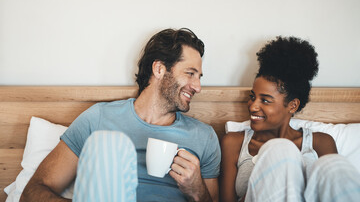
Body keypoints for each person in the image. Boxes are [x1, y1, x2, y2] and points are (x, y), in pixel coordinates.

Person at [21, 28, 221, 202]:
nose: (198, 87)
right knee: (108, 142)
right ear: (159, 69)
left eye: (199, 77)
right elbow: (32, 193)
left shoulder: (204, 137)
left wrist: (198, 191)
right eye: (190, 73)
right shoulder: (98, 119)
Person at [220, 36, 360, 202]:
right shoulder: (234, 142)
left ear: (292, 105)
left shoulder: (321, 143)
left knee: (332, 166)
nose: (252, 106)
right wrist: (265, 181)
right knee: (280, 150)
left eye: (265, 100)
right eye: (252, 96)